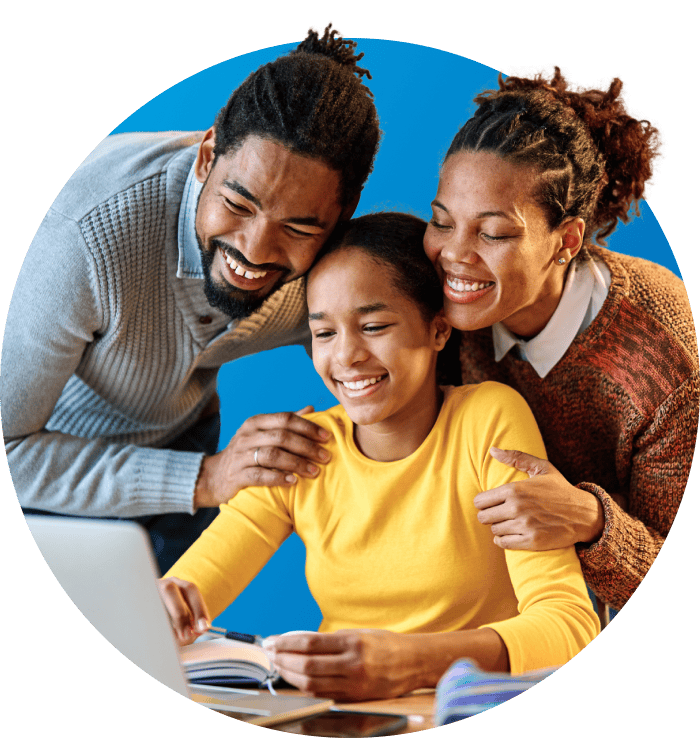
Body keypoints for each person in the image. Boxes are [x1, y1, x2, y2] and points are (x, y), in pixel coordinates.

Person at [158, 213, 599, 701]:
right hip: (341, 717)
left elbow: (570, 625)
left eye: (372, 326)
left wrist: (412, 664)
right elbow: (188, 590)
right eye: (324, 333)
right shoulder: (304, 449)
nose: (345, 356)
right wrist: (163, 605)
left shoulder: (487, 421)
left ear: (437, 331)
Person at [1, 22, 380, 573]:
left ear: (339, 219)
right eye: (239, 204)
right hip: (49, 464)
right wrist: (207, 478)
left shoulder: (337, 263)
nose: (255, 251)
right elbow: (10, 450)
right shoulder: (81, 238)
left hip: (186, 438)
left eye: (299, 228)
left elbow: (406, 384)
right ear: (207, 157)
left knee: (172, 650)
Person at [423, 66, 699, 612]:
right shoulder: (437, 296)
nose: (454, 254)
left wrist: (588, 520)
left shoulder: (658, 356)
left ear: (567, 240)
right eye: (441, 221)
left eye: (494, 233)